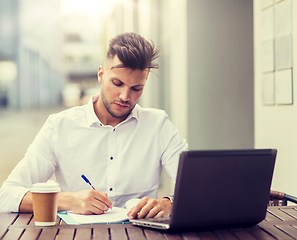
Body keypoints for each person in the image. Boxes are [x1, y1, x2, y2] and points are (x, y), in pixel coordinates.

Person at [0, 32, 188, 219]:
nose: (125, 96)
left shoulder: (158, 125)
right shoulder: (59, 126)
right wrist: (68, 200)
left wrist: (170, 202)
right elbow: (7, 196)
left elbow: (198, 188)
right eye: (117, 83)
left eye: (136, 88)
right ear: (101, 75)